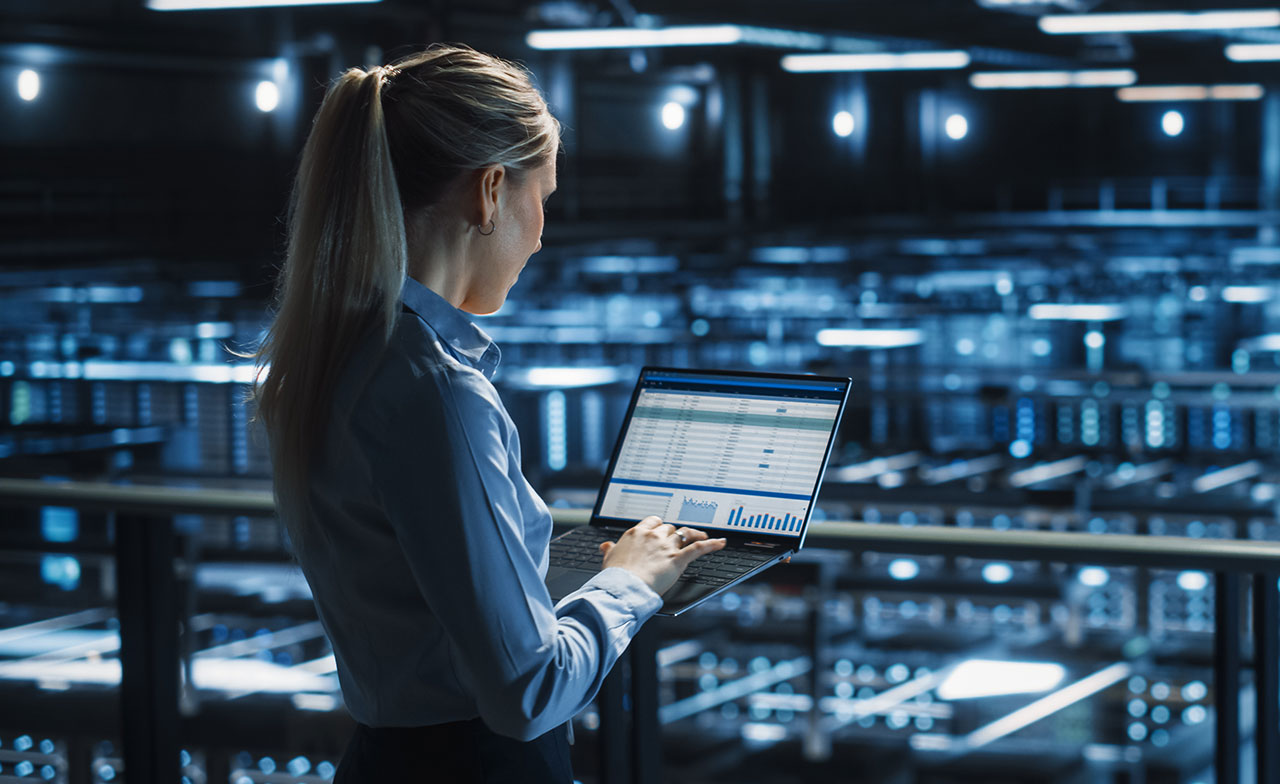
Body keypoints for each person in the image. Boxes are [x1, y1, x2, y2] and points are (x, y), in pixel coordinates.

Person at [249, 43, 726, 783]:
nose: (541, 234)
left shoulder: (333, 356)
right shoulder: (436, 390)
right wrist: (630, 582)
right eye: (544, 200)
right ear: (491, 192)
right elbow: (528, 692)